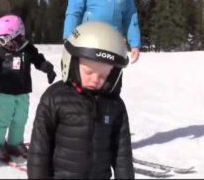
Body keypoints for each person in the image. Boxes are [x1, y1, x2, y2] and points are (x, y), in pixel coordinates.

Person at [27, 21, 134, 179]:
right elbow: (39, 151)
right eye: (89, 72)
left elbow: (122, 153)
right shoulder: (55, 98)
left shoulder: (115, 104)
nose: (96, 79)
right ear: (72, 63)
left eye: (104, 75)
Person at [0, 14, 56, 162]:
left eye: (4, 39)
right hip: (5, 93)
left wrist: (48, 69)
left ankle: (14, 143)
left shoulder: (28, 49)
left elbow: (38, 61)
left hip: (23, 92)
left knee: (20, 119)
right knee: (4, 119)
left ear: (16, 35)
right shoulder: (0, 52)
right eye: (0, 40)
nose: (2, 43)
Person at [63, 0, 141, 94]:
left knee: (110, 90)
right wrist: (69, 39)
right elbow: (74, 11)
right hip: (88, 46)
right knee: (82, 89)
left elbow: (130, 15)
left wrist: (135, 42)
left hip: (113, 49)